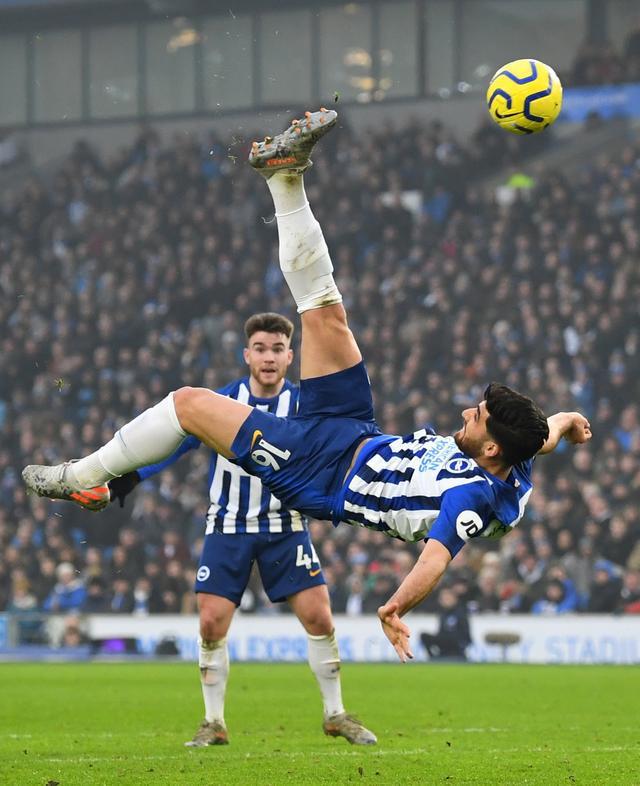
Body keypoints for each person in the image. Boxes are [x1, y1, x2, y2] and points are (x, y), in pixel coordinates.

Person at [23, 108, 592, 663]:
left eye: (477, 417)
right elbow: (541, 436)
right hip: (355, 429)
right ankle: (284, 176)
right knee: (324, 311)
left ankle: (82, 478)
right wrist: (567, 421)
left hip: (320, 471)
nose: (467, 412)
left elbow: (437, 556)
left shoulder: (473, 497)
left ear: (490, 448)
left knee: (188, 404)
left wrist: (395, 607)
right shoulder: (515, 454)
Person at [108, 311, 376, 746]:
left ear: (290, 357)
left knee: (319, 616)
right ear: (246, 355)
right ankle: (213, 722)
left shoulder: (305, 408)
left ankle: (335, 714)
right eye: (260, 349)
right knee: (211, 622)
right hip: (228, 523)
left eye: (277, 349)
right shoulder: (224, 402)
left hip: (285, 525)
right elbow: (177, 443)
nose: (268, 357)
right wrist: (133, 475)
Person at [419, 587, 471, 660]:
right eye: (443, 599)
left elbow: (466, 635)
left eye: (448, 598)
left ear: (454, 599)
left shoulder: (461, 613)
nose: (445, 601)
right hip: (444, 641)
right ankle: (432, 658)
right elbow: (440, 632)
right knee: (424, 635)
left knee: (449, 638)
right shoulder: (442, 614)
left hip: (456, 643)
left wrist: (462, 644)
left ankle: (455, 655)